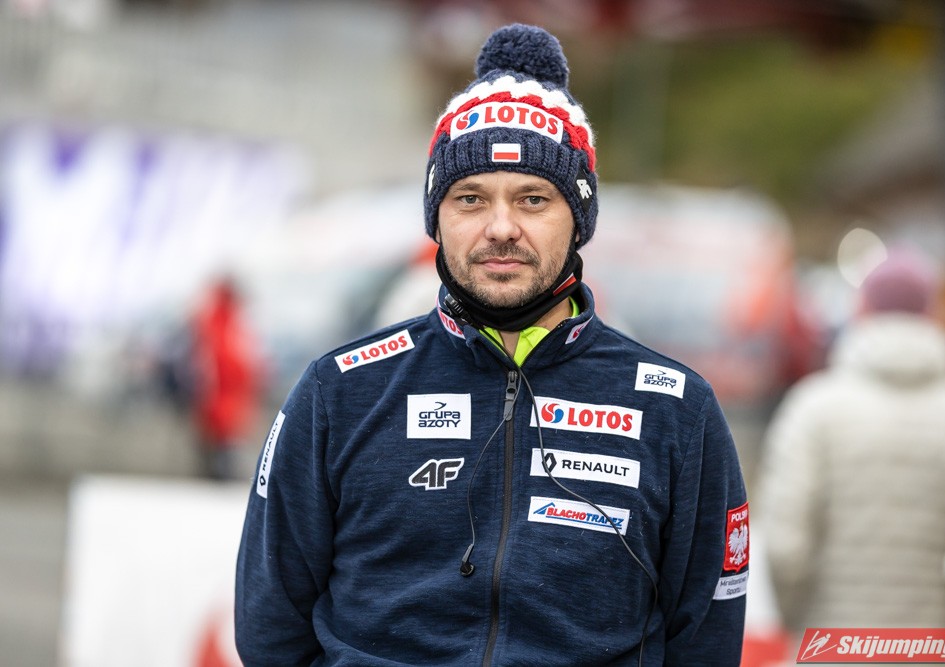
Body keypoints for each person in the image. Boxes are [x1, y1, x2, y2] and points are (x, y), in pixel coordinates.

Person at [235, 24, 748, 666]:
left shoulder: (676, 409)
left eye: (532, 199)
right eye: (471, 199)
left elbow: (707, 641)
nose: (501, 228)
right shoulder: (339, 391)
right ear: (437, 217)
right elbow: (269, 631)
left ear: (579, 217)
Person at [757, 248, 945, 638]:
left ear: (862, 310)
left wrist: (799, 622)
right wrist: (943, 617)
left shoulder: (812, 409)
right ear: (933, 314)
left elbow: (786, 549)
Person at [189, 275, 264, 481]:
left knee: (224, 436)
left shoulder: (224, 319)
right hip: (221, 391)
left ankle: (220, 470)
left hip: (228, 392)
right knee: (221, 436)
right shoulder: (218, 320)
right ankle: (218, 471)